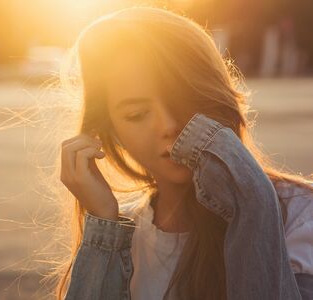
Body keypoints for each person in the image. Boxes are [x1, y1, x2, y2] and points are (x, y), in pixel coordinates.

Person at [57, 7, 313, 300]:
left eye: (183, 99)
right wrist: (103, 228)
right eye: (137, 114)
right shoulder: (122, 232)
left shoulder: (300, 216)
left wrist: (253, 203)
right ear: (109, 132)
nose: (168, 126)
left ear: (217, 96)